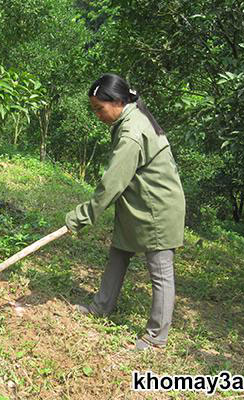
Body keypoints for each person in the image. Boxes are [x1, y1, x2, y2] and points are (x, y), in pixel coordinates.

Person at [65, 73, 185, 351]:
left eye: (99, 108)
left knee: (161, 271)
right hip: (137, 204)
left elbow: (112, 183)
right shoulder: (128, 120)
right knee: (118, 253)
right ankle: (101, 306)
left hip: (158, 208)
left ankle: (156, 337)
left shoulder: (131, 131)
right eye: (93, 109)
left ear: (118, 101)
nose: (97, 115)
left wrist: (81, 216)